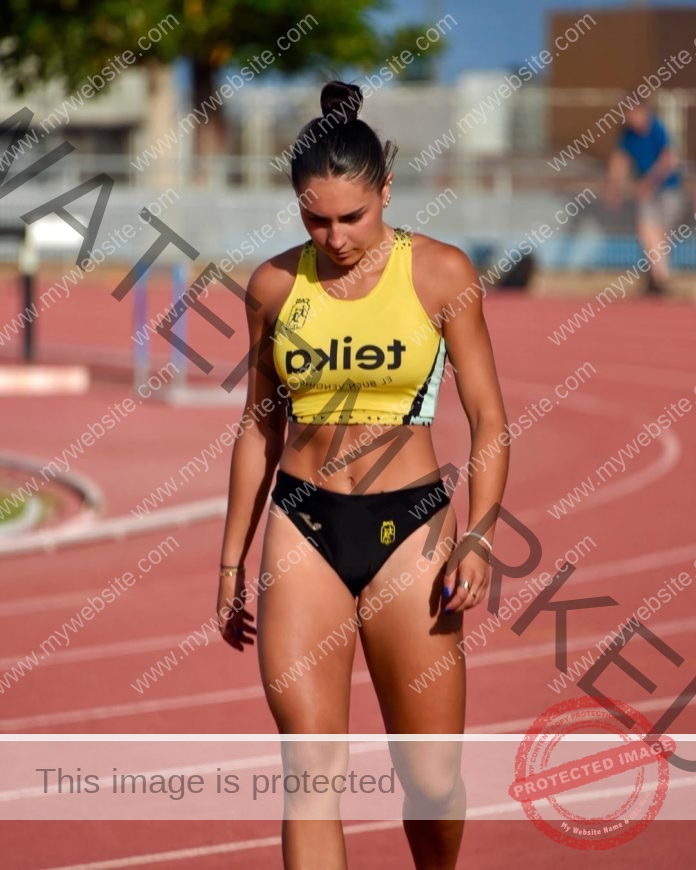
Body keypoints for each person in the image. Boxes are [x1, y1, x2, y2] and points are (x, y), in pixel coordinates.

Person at [217, 80, 509, 870]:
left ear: (386, 189)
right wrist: (230, 560)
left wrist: (478, 535)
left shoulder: (441, 275)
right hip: (301, 523)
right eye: (316, 219)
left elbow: (489, 419)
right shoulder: (275, 287)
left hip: (410, 527)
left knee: (431, 777)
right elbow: (259, 425)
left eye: (354, 216)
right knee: (310, 773)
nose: (336, 236)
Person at [605, 97, 685, 295]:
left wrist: (650, 181)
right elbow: (620, 161)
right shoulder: (627, 135)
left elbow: (669, 160)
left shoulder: (656, 128)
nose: (630, 118)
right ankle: (659, 278)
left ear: (641, 111)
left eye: (632, 113)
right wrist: (614, 188)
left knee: (660, 235)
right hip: (646, 192)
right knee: (647, 231)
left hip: (668, 189)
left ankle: (659, 278)